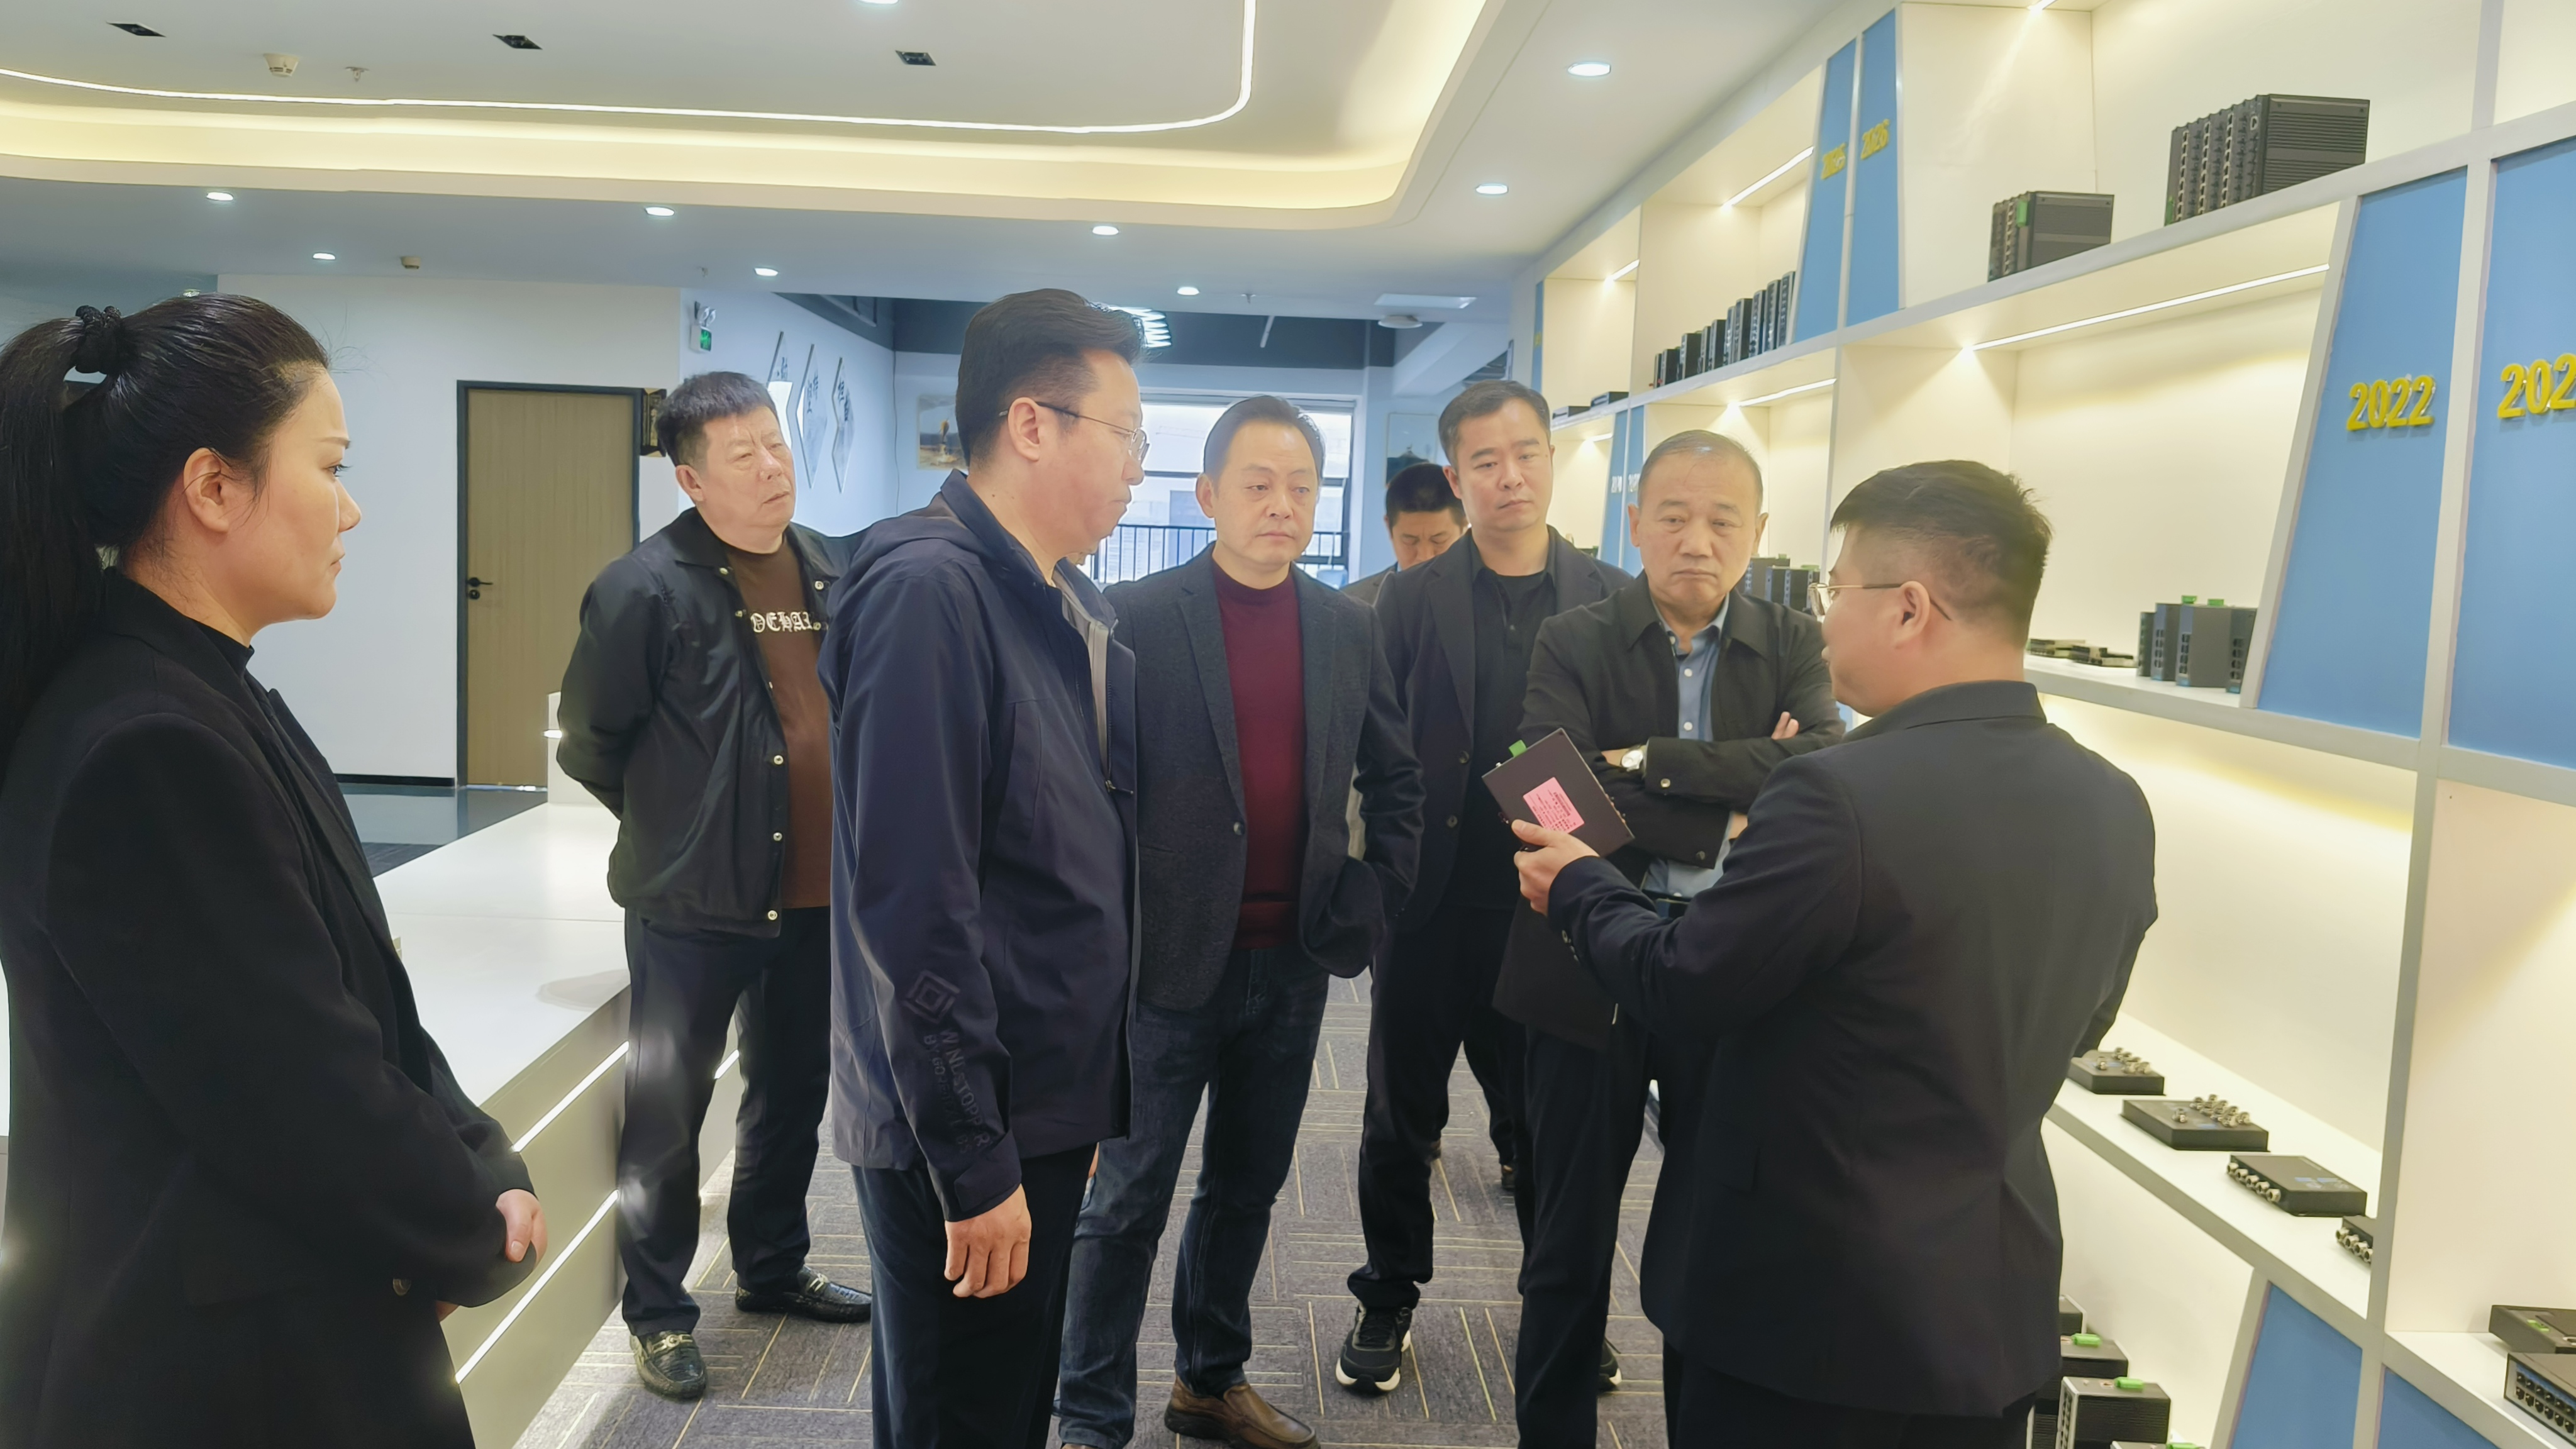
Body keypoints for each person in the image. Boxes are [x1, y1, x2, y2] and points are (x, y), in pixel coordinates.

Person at [1511, 461, 2158, 1448]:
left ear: (1908, 609)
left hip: (1804, 1305)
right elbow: (2083, 1024)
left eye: (1835, 589)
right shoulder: (2114, 802)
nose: (1822, 621)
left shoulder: (1839, 794)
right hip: (1982, 1309)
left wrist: (1583, 883)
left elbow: (1682, 982)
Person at [0, 296, 548, 1446]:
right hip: (217, 1365)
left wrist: (479, 1161)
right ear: (213, 487)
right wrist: (464, 1221)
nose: (351, 506)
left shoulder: (206, 694)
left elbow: (364, 1010)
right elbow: (294, 1088)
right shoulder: (145, 740)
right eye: (330, 467)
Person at [1057, 397, 1425, 1449]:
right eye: (1259, 484)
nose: (1282, 505)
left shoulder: (1346, 625)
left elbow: (1395, 781)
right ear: (1209, 494)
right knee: (1126, 1200)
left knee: (1247, 1187)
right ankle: (1090, 1413)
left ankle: (1208, 1380)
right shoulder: (1132, 612)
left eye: (1302, 486)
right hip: (1164, 963)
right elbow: (1082, 784)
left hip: (1293, 962)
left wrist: (1368, 897)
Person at [820, 289, 1144, 1448]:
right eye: (1127, 435)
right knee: (962, 1417)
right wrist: (974, 1155)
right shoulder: (931, 592)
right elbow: (916, 906)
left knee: (998, 1408)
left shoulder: (1047, 593)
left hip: (1032, 1095)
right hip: (968, 1116)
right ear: (1032, 424)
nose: (1137, 469)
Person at [1499, 430, 1842, 1446]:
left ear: (1758, 532)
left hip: (1737, 968)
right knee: (1567, 1238)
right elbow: (1543, 792)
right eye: (1675, 517)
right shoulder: (1572, 637)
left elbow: (1824, 772)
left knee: (1718, 1240)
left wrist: (1643, 760)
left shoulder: (1796, 640)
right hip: (1585, 960)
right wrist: (1729, 806)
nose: (1698, 540)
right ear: (1635, 524)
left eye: (1723, 521)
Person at [557, 370, 872, 1401]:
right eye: (745, 455)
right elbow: (592, 743)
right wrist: (681, 828)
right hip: (693, 906)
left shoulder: (831, 565)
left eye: (777, 444)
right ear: (691, 478)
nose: (773, 467)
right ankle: (658, 1313)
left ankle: (771, 1265)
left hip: (816, 898)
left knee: (792, 1092)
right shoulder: (644, 589)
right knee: (668, 1109)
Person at [1338, 378, 1629, 1394]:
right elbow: (1379, 748)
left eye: (1526, 454)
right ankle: (1387, 1294)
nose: (1510, 476)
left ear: (1552, 458)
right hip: (1428, 907)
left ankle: (1563, 1309)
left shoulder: (1609, 596)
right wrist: (1380, 878)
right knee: (1398, 1118)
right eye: (1486, 461)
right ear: (1457, 476)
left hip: (1555, 909)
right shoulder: (1409, 597)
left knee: (1552, 1129)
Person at [1342, 458, 1464, 606]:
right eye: (1410, 541)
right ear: (1389, 528)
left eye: (1438, 540)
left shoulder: (1486, 601)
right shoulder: (1351, 604)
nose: (1425, 557)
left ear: (1464, 529)